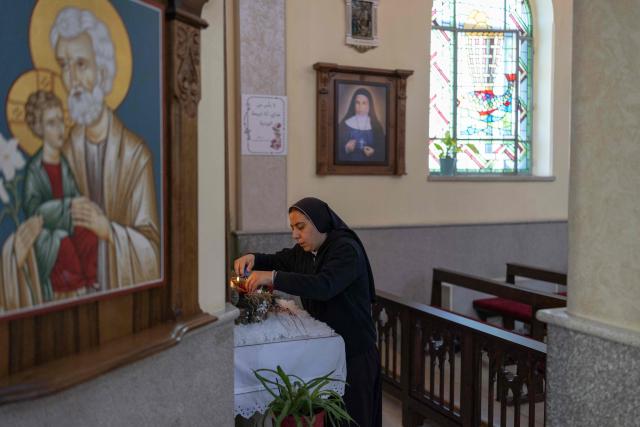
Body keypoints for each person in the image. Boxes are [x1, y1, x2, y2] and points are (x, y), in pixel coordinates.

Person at [234, 197, 382, 427]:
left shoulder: (345, 249)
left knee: (354, 419)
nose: (295, 234)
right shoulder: (308, 250)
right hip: (329, 348)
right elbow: (280, 259)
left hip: (355, 351)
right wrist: (254, 258)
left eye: (300, 227)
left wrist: (271, 277)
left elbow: (324, 286)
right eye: (292, 228)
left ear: (320, 222)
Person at [50, 7, 161, 290]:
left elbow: (151, 248)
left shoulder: (135, 155)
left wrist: (107, 230)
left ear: (103, 70)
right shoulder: (62, 151)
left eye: (81, 64)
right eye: (64, 65)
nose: (72, 79)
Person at [23, 90, 98, 302]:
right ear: (39, 128)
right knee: (63, 242)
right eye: (51, 123)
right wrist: (69, 205)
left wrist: (84, 207)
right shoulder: (34, 170)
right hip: (47, 236)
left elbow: (74, 195)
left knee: (90, 235)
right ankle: (77, 291)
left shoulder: (64, 165)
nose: (59, 128)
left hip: (68, 226)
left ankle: (92, 286)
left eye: (61, 121)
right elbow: (34, 212)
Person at [337, 88, 385, 163]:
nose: (360, 106)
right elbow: (334, 149)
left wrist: (374, 152)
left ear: (369, 105)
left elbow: (383, 151)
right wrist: (346, 148)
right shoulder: (344, 125)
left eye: (364, 103)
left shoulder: (376, 126)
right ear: (353, 104)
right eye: (357, 103)